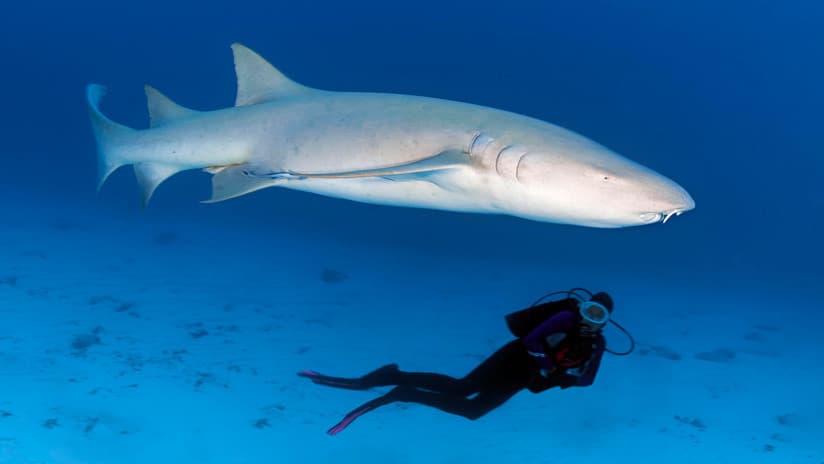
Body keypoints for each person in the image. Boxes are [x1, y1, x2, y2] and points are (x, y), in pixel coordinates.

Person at [298, 288, 616, 435]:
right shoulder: (564, 316)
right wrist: (549, 365)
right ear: (582, 307)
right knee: (463, 388)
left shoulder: (597, 343)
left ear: (606, 321)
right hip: (514, 357)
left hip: (526, 377)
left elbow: (587, 380)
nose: (591, 318)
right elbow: (532, 340)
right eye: (589, 310)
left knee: (473, 411)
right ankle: (390, 376)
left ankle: (402, 391)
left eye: (598, 315)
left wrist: (565, 377)